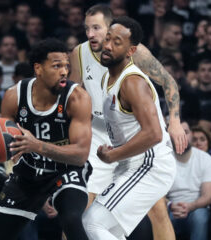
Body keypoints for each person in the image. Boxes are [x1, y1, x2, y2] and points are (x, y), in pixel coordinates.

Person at [69, 5, 186, 240]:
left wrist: (174, 120)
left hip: (146, 159)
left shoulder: (132, 80)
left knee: (93, 223)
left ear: (131, 49)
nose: (103, 42)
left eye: (97, 28)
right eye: (107, 38)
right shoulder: (94, 62)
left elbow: (153, 132)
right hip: (113, 147)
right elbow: (72, 98)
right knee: (99, 224)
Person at [0, 38, 92, 240]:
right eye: (57, 66)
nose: (64, 72)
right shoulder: (14, 96)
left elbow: (81, 155)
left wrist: (38, 145)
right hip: (29, 172)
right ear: (38, 69)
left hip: (65, 170)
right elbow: (6, 145)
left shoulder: (77, 98)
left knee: (72, 220)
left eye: (66, 66)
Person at [167, 121, 211, 240]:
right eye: (176, 133)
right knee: (161, 216)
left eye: (186, 132)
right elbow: (157, 195)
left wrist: (190, 206)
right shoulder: (164, 159)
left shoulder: (206, 159)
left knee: (200, 217)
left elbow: (208, 197)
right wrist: (170, 205)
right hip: (171, 207)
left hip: (197, 207)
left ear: (191, 135)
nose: (181, 136)